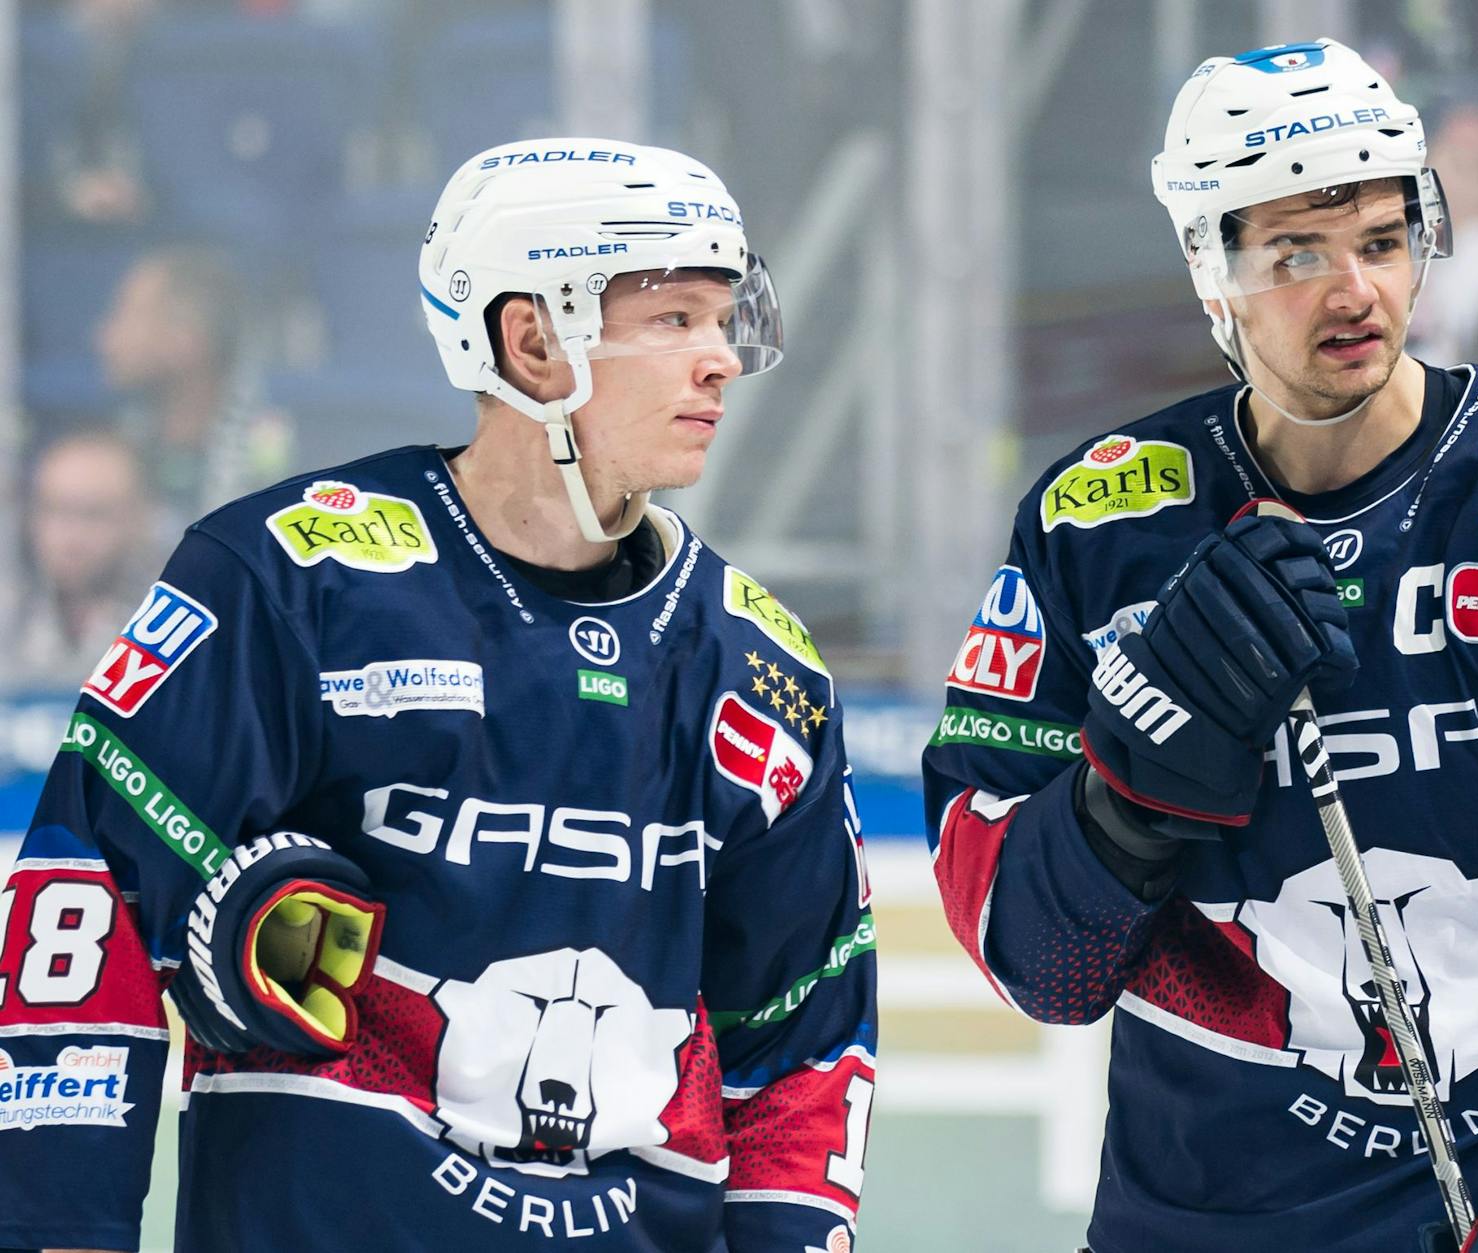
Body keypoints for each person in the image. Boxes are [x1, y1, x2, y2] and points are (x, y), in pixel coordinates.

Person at [924, 40, 1478, 1253]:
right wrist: (1130, 786)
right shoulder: (1097, 524)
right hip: (1195, 1212)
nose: (1353, 292)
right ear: (1205, 267)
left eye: (1379, 241)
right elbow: (1034, 965)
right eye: (1293, 255)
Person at [0, 138, 875, 1253]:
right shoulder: (287, 577)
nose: (720, 360)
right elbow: (89, 882)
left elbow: (802, 1040)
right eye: (673, 319)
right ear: (531, 338)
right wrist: (62, 1225)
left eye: (722, 317)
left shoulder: (762, 665)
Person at [93, 244, 294, 534]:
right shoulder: (120, 440)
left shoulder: (276, 451)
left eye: (125, 313)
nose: (103, 336)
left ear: (186, 339)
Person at [0, 430, 160, 693]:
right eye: (53, 510)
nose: (70, 538)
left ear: (138, 518)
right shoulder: (9, 611)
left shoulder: (170, 625)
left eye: (93, 514)